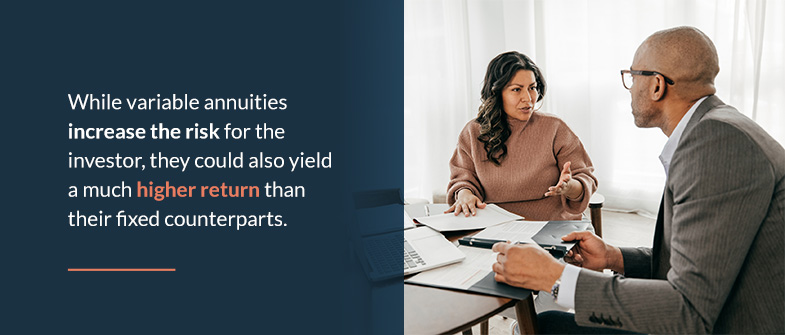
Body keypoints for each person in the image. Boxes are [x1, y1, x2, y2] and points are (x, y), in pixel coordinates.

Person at [493, 26, 785, 334]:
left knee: (545, 327)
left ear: (657, 85)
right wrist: (613, 257)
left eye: (633, 77)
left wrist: (554, 278)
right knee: (546, 323)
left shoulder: (717, 143)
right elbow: (701, 262)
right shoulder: (717, 128)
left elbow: (688, 311)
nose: (630, 88)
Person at [446, 51, 597, 221]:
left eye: (532, 88)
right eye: (516, 89)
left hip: (552, 225)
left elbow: (585, 177)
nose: (528, 98)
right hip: (495, 228)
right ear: (496, 92)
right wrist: (465, 194)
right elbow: (462, 179)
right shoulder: (473, 132)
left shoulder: (555, 127)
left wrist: (569, 187)